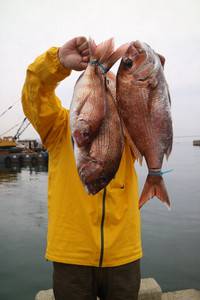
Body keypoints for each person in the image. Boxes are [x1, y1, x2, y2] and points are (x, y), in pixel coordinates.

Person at [22, 36, 142, 300]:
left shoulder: (129, 130)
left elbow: (150, 118)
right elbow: (35, 92)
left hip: (124, 253)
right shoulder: (58, 127)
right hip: (71, 255)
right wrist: (57, 63)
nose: (104, 87)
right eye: (99, 83)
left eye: (110, 86)